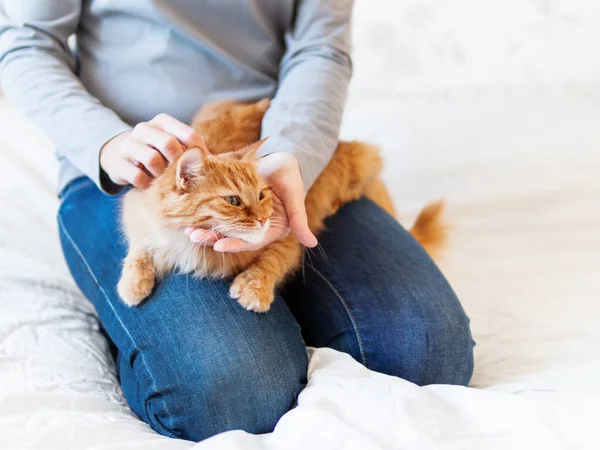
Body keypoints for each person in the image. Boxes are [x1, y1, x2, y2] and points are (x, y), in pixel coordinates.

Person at [0, 0, 474, 442]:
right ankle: (161, 327)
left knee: (427, 352)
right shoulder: (122, 157)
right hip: (128, 165)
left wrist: (293, 153)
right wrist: (108, 142)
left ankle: (261, 316)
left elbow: (321, 46)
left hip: (265, 149)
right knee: (235, 396)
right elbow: (25, 41)